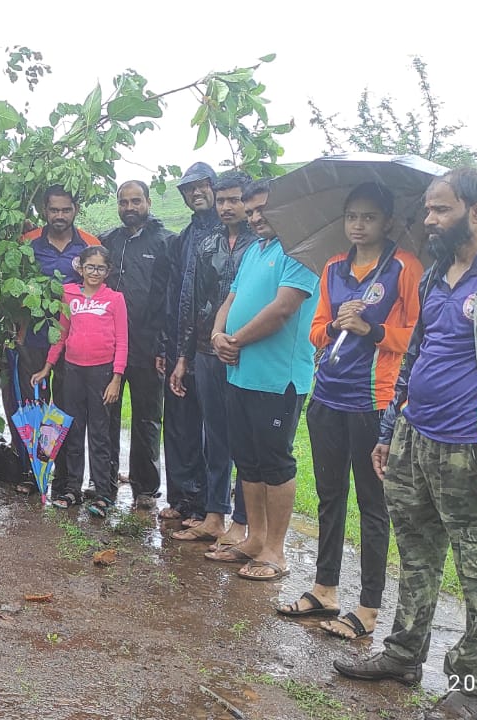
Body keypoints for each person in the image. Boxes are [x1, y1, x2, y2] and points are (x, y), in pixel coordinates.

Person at [335, 168, 477, 720]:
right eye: (428, 211)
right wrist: (391, 429)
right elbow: (417, 353)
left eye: (440, 210)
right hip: (416, 436)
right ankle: (403, 654)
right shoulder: (440, 269)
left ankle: (470, 685)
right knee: (416, 555)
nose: (428, 221)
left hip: (474, 444)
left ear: (476, 210)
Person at [278, 182, 422, 640]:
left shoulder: (404, 267)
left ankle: (369, 607)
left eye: (369, 217)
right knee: (329, 496)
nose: (358, 226)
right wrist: (336, 325)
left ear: (388, 222)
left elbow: (419, 335)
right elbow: (316, 330)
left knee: (372, 506)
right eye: (352, 217)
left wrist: (371, 329)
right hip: (327, 396)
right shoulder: (334, 267)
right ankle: (325, 588)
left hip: (374, 400)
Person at [206, 181, 319, 579]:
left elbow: (283, 308)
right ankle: (253, 539)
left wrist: (233, 340)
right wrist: (218, 336)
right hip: (240, 373)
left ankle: (275, 550)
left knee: (274, 462)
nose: (254, 218)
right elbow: (231, 299)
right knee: (247, 460)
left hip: (277, 380)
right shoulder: (255, 251)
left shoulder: (300, 254)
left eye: (261, 210)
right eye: (250, 212)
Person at [169, 172, 257, 546]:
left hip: (247, 351)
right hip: (206, 350)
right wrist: (183, 357)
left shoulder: (262, 245)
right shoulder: (207, 244)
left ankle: (244, 522)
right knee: (214, 437)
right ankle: (215, 514)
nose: (227, 207)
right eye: (222, 201)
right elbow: (192, 302)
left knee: (246, 440)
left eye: (234, 200)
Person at [2, 185, 102, 495]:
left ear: (75, 210)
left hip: (73, 345)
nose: (60, 215)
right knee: (32, 406)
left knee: (63, 408)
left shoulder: (90, 245)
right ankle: (34, 470)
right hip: (32, 340)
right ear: (44, 211)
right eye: (54, 210)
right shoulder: (26, 244)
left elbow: (100, 293)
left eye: (66, 210)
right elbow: (11, 290)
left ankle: (63, 477)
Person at [31, 245, 128, 516]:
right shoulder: (69, 294)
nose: (94, 272)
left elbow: (122, 340)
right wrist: (47, 367)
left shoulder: (115, 299)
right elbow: (61, 335)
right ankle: (72, 488)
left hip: (102, 373)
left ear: (107, 271)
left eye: (100, 268)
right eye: (90, 267)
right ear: (80, 268)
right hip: (73, 370)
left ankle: (102, 493)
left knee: (99, 433)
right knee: (73, 429)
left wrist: (116, 378)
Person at [101, 180, 174, 513]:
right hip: (110, 344)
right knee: (107, 413)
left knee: (147, 418)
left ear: (147, 202)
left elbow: (171, 297)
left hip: (148, 343)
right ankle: (105, 479)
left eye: (135, 201)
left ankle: (145, 487)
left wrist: (163, 345)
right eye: (123, 202)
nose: (129, 208)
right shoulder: (110, 242)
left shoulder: (164, 242)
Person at [159, 162, 218, 525]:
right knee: (179, 423)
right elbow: (172, 295)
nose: (196, 194)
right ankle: (182, 497)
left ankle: (209, 505)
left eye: (201, 187)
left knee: (212, 428)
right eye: (189, 190)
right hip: (180, 343)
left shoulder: (232, 236)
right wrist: (169, 347)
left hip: (213, 345)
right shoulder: (182, 239)